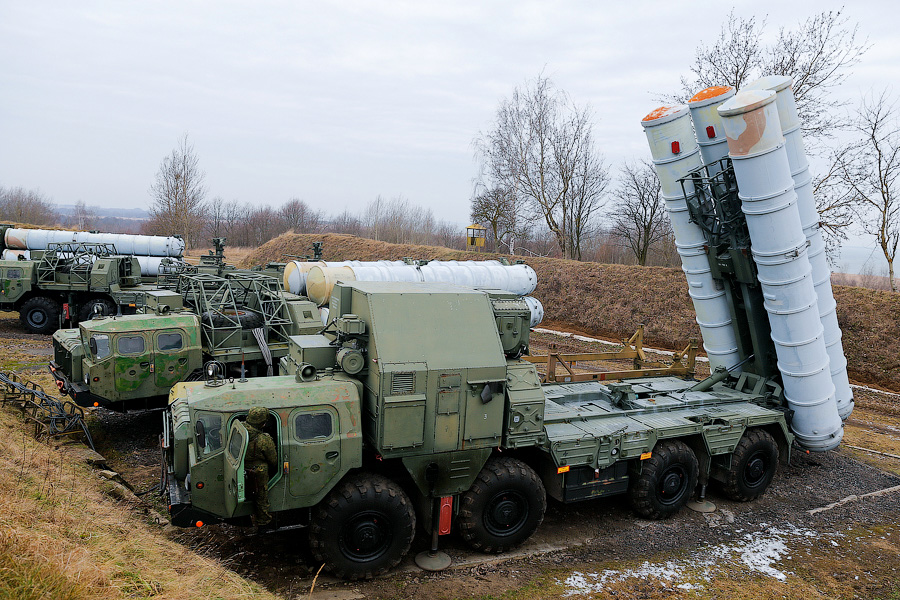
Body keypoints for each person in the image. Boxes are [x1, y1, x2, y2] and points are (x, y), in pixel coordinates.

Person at [245, 406, 277, 528]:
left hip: (242, 467)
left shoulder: (238, 429)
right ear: (263, 423)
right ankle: (263, 524)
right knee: (261, 498)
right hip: (258, 471)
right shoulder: (264, 440)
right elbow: (273, 460)